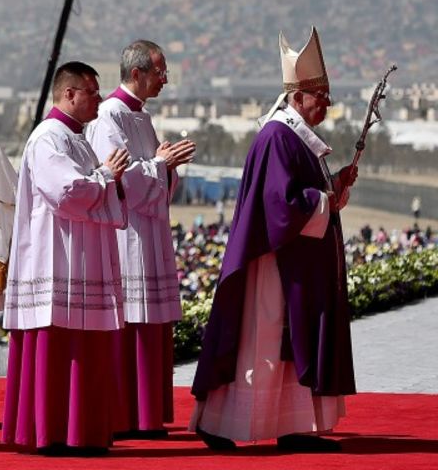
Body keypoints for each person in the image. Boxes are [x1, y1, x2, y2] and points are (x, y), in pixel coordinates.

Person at [190, 27, 357, 453]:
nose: (327, 105)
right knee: (263, 345)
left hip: (293, 259)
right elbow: (278, 203)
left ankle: (296, 426)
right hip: (274, 262)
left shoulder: (296, 137)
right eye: (321, 97)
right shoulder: (278, 136)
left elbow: (300, 194)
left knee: (286, 347)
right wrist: (325, 200)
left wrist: (333, 187)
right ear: (298, 96)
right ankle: (223, 424)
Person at [1, 61, 130, 457]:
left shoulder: (78, 138)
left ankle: (85, 430)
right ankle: (54, 432)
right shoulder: (48, 138)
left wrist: (112, 178)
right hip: (55, 258)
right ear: (69, 93)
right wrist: (107, 176)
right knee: (61, 345)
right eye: (91, 91)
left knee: (85, 345)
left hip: (80, 257)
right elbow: (67, 193)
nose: (98, 97)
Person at [86, 40, 196, 438]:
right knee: (131, 323)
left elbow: (150, 172)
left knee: (150, 324)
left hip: (149, 236)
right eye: (160, 71)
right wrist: (162, 164)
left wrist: (167, 166)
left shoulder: (141, 117)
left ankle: (147, 415)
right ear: (137, 74)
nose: (165, 79)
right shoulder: (108, 117)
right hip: (127, 238)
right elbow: (122, 182)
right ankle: (126, 415)